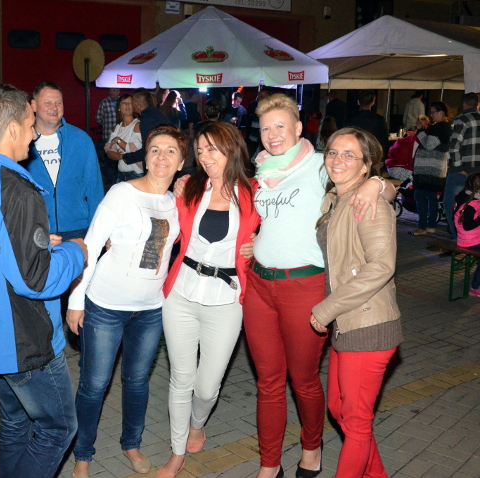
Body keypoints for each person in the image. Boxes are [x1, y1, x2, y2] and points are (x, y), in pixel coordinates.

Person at [240, 93, 395, 478]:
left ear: (298, 128)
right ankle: (269, 463)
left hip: (305, 286)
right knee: (268, 382)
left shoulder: (321, 164)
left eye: (281, 126)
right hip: (260, 284)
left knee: (303, 380)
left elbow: (374, 179)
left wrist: (377, 185)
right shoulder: (262, 169)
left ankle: (312, 448)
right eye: (265, 128)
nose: (273, 134)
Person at [0, 84, 87, 478]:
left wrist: (37, 247)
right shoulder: (18, 191)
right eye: (29, 123)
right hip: (23, 340)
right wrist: (75, 252)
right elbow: (36, 281)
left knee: (16, 422)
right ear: (11, 129)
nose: (34, 133)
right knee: (58, 427)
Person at [66, 124, 186, 478]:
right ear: (145, 157)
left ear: (181, 163)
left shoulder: (178, 203)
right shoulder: (121, 193)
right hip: (105, 305)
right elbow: (91, 246)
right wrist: (76, 300)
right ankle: (83, 455)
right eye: (155, 149)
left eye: (171, 151)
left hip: (150, 310)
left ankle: (131, 443)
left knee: (137, 382)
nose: (162, 156)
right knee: (94, 385)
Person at [156, 122, 260, 478]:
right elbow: (161, 223)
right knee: (180, 379)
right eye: (200, 151)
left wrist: (261, 243)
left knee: (206, 386)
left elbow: (286, 226)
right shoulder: (189, 188)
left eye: (212, 149)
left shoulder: (255, 192)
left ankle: (197, 424)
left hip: (227, 299)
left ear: (232, 148)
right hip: (181, 293)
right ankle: (176, 453)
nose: (205, 157)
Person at [311, 127, 402, 478]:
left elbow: (381, 267)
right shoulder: (338, 198)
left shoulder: (367, 202)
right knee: (340, 410)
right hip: (347, 322)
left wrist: (326, 309)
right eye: (333, 152)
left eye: (349, 155)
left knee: (357, 422)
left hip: (368, 323)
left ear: (366, 165)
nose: (338, 159)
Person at [21, 82, 104, 240]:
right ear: (34, 105)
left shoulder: (80, 139)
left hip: (78, 229)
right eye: (47, 102)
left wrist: (100, 230)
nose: (54, 107)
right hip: (36, 228)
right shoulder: (22, 141)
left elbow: (94, 188)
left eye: (58, 102)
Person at [411, 101, 451, 235]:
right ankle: (430, 225)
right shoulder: (442, 127)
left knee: (420, 195)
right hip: (434, 168)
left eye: (434, 112)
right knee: (431, 197)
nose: (432, 115)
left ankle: (422, 226)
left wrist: (420, 130)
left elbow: (429, 144)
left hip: (429, 169)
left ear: (442, 112)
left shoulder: (441, 128)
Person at [446, 92, 480, 240]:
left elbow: (453, 147)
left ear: (464, 104)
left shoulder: (461, 120)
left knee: (451, 203)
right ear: (477, 105)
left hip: (462, 170)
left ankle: (457, 237)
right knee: (475, 205)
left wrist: (459, 167)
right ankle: (473, 237)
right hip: (478, 172)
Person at [119, 90, 170, 168]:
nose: (131, 105)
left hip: (159, 164)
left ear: (139, 105)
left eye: (132, 102)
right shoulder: (155, 113)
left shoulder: (147, 119)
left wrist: (125, 157)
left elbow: (149, 149)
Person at [104, 94, 143, 182]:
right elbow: (109, 152)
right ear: (119, 107)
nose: (127, 105)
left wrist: (118, 140)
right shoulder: (116, 128)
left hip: (136, 173)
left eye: (130, 102)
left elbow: (133, 151)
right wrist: (122, 156)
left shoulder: (137, 125)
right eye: (124, 103)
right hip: (121, 172)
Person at [453, 172, 480, 296]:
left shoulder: (466, 197)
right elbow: (467, 226)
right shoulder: (471, 204)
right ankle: (475, 287)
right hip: (470, 241)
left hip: (471, 238)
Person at [344, 90, 389, 158]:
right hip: (373, 154)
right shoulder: (379, 119)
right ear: (372, 103)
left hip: (354, 153)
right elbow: (384, 141)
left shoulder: (349, 119)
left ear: (358, 102)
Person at [246, 89, 270, 157]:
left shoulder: (271, 108)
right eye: (259, 96)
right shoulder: (252, 105)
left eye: (262, 97)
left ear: (268, 97)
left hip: (263, 139)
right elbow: (248, 120)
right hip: (252, 138)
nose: (260, 98)